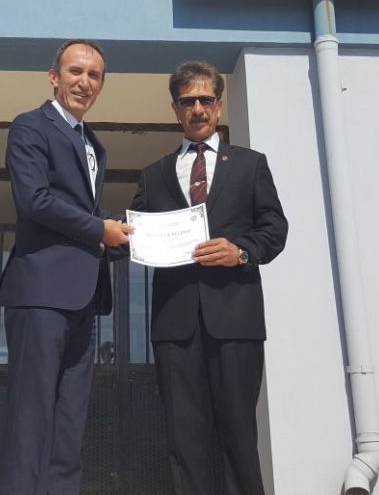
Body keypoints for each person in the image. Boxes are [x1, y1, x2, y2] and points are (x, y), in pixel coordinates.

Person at [129, 61, 288, 495]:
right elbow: (136, 236)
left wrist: (241, 252)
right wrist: (109, 233)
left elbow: (274, 229)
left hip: (235, 321)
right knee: (185, 438)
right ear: (175, 109)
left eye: (205, 99)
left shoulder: (251, 165)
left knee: (239, 434)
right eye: (188, 101)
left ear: (219, 105)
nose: (197, 108)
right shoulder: (154, 175)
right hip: (175, 325)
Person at [0, 39, 133, 495]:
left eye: (94, 75)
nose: (84, 82)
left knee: (70, 421)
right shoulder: (30, 126)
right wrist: (100, 229)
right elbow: (34, 201)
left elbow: (84, 215)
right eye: (76, 71)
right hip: (40, 294)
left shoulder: (93, 144)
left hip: (84, 299)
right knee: (32, 418)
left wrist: (128, 236)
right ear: (54, 77)